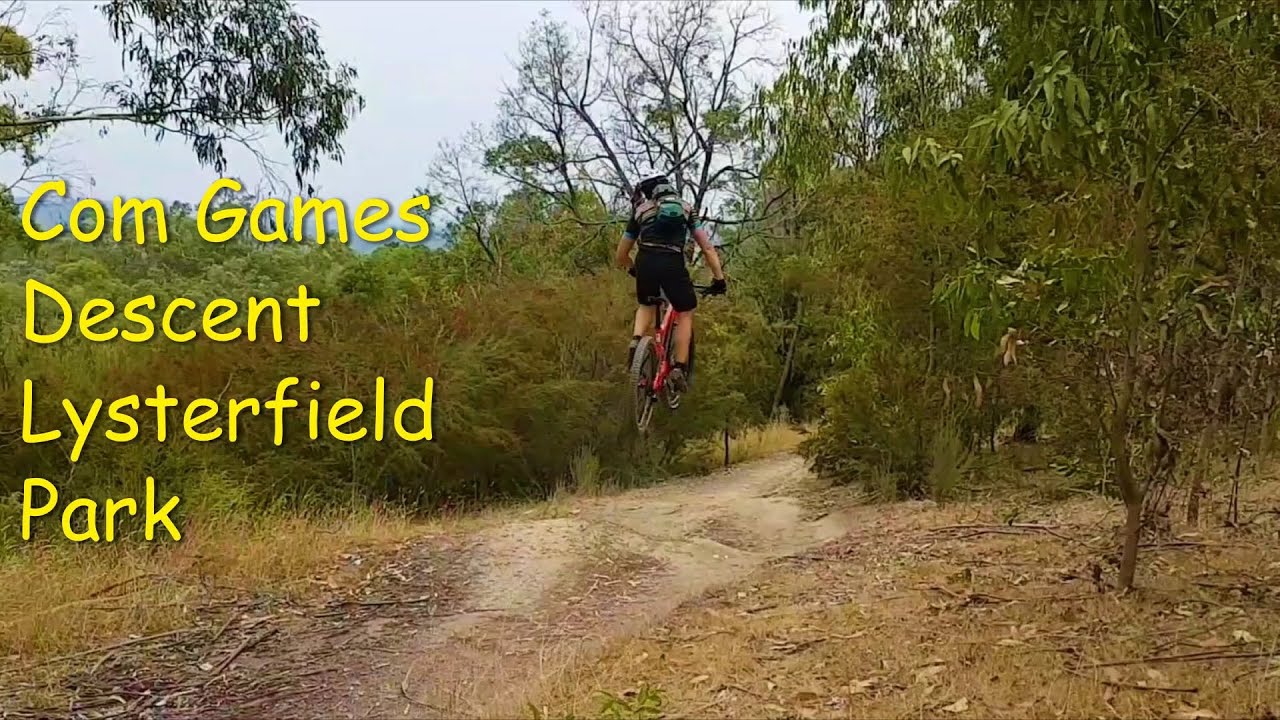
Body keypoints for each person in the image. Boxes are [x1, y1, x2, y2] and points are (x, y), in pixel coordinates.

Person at [615, 174, 726, 393]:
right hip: (672, 264)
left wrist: (632, 269)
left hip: (645, 261)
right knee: (685, 311)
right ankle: (678, 368)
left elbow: (621, 255)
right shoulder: (686, 209)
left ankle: (636, 341)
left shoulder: (641, 211)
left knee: (647, 303)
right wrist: (719, 279)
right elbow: (707, 248)